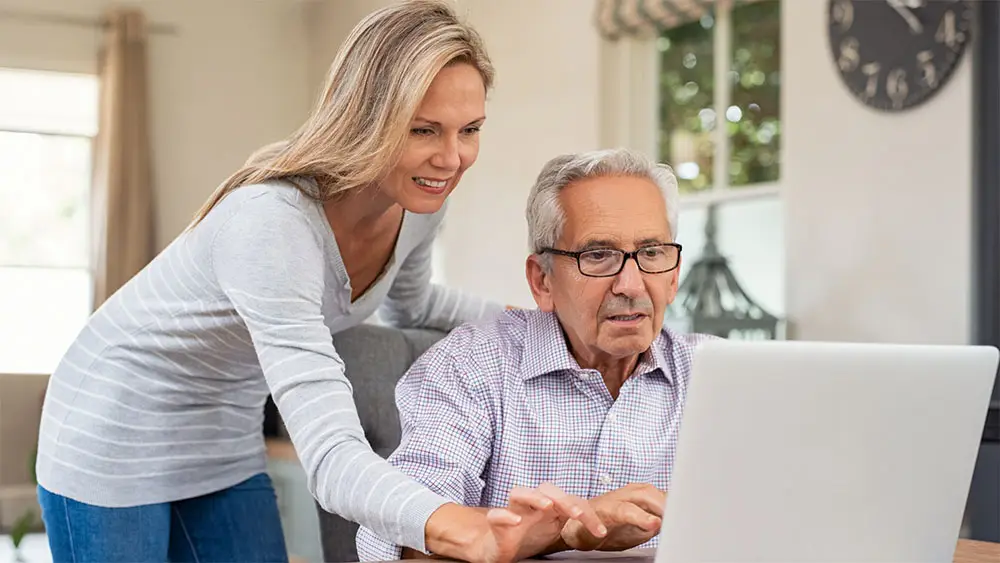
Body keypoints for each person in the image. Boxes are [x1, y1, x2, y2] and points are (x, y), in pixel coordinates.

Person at [34, 2, 605, 562]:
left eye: (470, 130)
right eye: (423, 130)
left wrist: (548, 322)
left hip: (223, 434)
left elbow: (413, 304)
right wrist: (455, 526)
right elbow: (332, 457)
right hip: (114, 424)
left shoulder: (418, 205)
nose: (452, 159)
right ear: (365, 118)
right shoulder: (272, 224)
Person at [356, 148, 716, 561]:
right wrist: (565, 532)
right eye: (598, 255)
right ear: (542, 280)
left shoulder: (717, 375)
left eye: (651, 253)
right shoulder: (469, 365)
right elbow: (401, 540)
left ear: (673, 276)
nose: (631, 285)